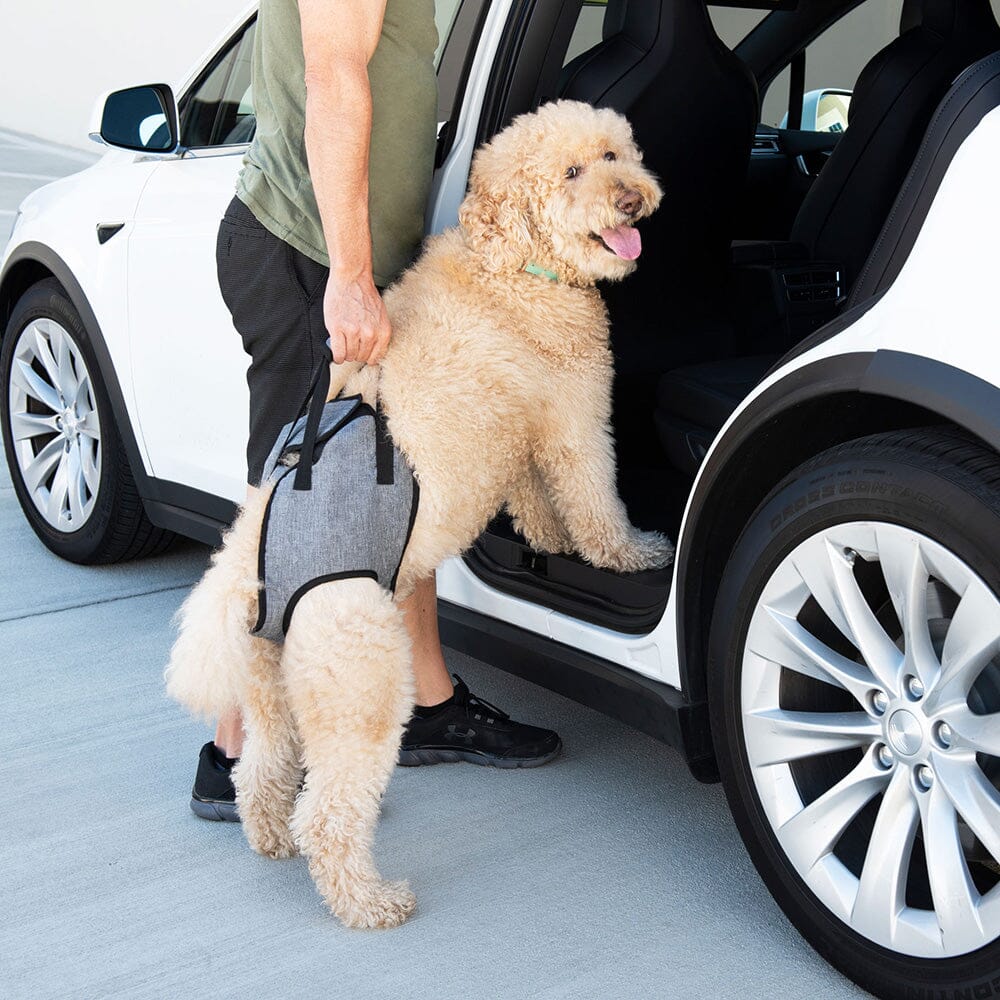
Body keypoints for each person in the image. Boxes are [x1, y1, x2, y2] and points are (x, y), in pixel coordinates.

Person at [191, 0, 562, 821]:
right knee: (293, 519)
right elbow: (333, 74)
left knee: (396, 489)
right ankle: (235, 752)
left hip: (358, 261)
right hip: (310, 257)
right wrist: (352, 277)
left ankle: (429, 704)